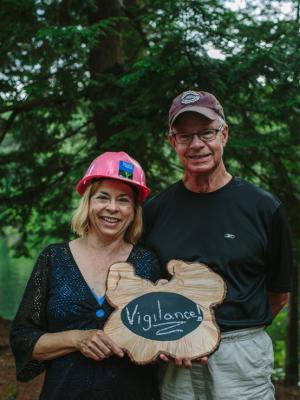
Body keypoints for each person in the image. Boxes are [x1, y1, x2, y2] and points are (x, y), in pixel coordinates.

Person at [142, 90, 292, 400]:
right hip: (176, 355)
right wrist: (170, 333)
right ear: (173, 142)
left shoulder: (264, 209)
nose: (196, 144)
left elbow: (279, 294)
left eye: (206, 133)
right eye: (184, 136)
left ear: (223, 134)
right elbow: (146, 289)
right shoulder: (154, 211)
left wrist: (233, 333)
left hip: (240, 359)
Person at [10, 151, 161, 400]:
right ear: (88, 202)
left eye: (123, 200)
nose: (112, 208)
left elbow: (159, 336)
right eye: (103, 197)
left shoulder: (147, 263)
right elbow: (23, 340)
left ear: (134, 209)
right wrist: (76, 338)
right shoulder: (54, 259)